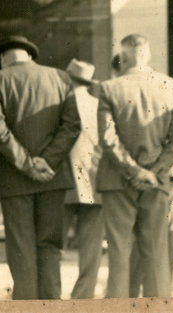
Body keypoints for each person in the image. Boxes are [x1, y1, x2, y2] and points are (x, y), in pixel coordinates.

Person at [0, 36, 79, 300]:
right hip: (52, 177)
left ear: (3, 59)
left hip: (15, 179)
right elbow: (72, 126)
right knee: (50, 247)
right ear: (29, 55)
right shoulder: (61, 78)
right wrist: (46, 161)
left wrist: (26, 164)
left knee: (22, 249)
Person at [96, 33, 173, 298]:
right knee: (156, 254)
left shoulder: (110, 88)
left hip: (116, 180)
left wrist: (134, 170)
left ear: (123, 58)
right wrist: (154, 172)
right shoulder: (171, 87)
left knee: (119, 254)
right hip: (156, 182)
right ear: (147, 55)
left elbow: (108, 139)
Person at [61, 59, 103, 299]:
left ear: (68, 78)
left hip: (64, 183)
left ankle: (51, 294)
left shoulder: (60, 104)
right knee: (91, 251)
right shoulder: (100, 106)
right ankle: (82, 299)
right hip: (95, 183)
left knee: (54, 246)